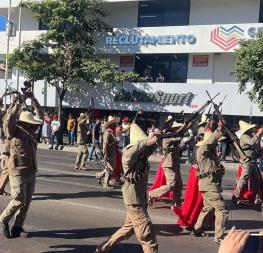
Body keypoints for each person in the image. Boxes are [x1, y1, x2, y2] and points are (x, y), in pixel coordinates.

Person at [95, 123, 159, 253]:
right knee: (148, 236)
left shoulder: (142, 156)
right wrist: (146, 141)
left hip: (139, 199)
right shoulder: (128, 155)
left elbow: (151, 146)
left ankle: (104, 247)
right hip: (134, 201)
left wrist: (160, 135)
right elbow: (132, 151)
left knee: (128, 229)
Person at [0, 91, 43, 238]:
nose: (33, 126)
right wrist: (20, 101)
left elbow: (41, 116)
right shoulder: (14, 131)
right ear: (23, 122)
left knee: (26, 202)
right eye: (30, 123)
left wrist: (33, 99)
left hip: (31, 171)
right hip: (17, 171)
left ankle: (17, 227)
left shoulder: (31, 131)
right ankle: (3, 220)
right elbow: (9, 118)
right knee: (18, 200)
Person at [192, 122, 229, 244]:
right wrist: (218, 130)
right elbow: (209, 143)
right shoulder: (202, 150)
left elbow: (217, 171)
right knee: (222, 209)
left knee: (208, 208)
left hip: (211, 184)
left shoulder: (211, 155)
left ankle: (197, 229)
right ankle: (219, 236)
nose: (217, 145)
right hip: (208, 185)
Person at [148, 121, 184, 208]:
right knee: (171, 185)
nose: (178, 129)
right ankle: (152, 194)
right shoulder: (166, 137)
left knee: (179, 185)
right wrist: (181, 138)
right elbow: (173, 141)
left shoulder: (173, 136)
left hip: (175, 163)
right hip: (169, 164)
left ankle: (176, 203)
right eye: (177, 128)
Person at [233, 120, 263, 205]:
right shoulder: (244, 136)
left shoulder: (249, 136)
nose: (252, 129)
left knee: (257, 180)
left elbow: (255, 144)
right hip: (247, 162)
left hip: (252, 161)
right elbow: (251, 142)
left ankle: (254, 197)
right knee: (243, 180)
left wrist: (259, 135)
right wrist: (258, 133)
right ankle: (236, 196)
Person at [96, 116, 120, 189]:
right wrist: (105, 154)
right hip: (109, 152)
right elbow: (105, 144)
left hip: (113, 152)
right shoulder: (107, 132)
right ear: (111, 124)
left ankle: (99, 176)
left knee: (111, 168)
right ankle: (105, 184)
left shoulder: (112, 132)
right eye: (114, 123)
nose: (116, 125)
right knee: (110, 169)